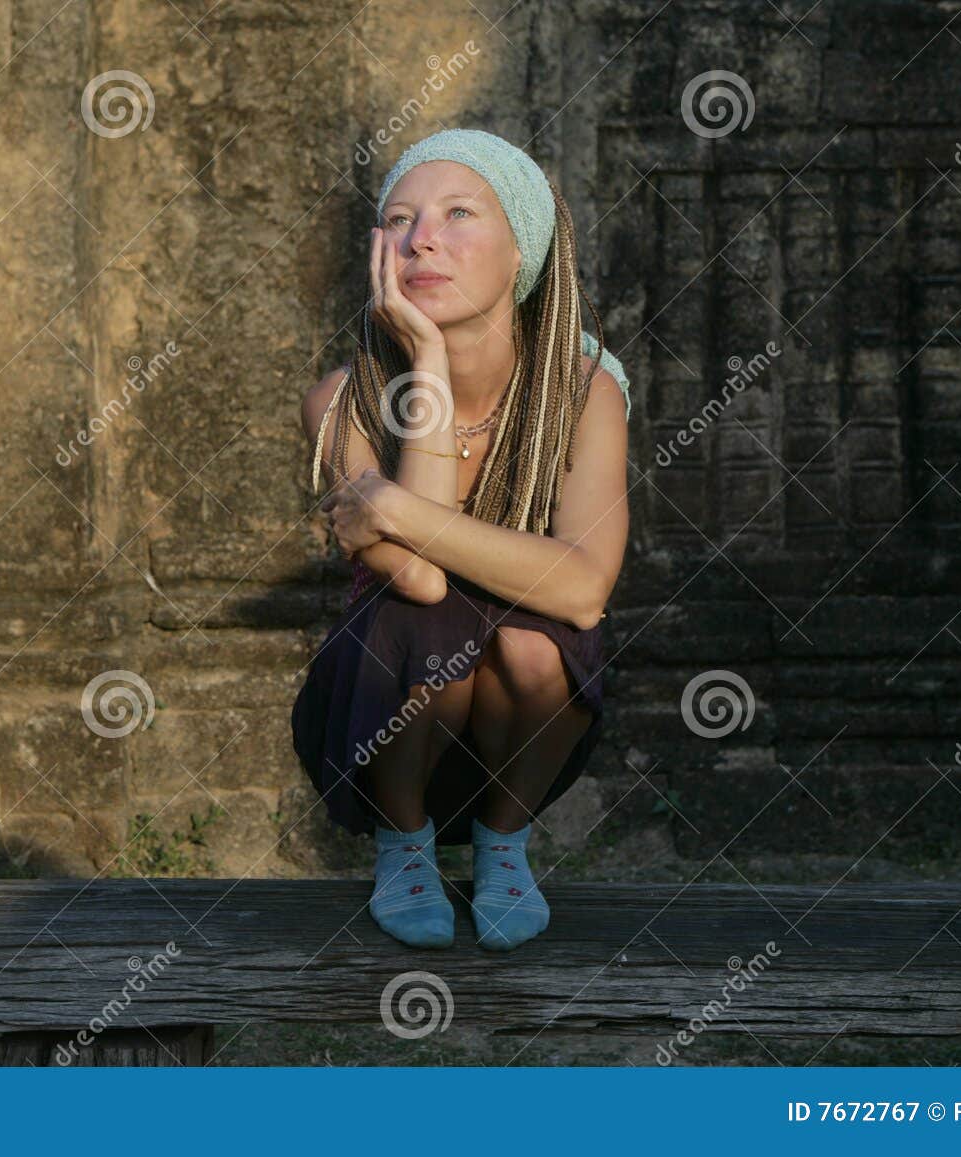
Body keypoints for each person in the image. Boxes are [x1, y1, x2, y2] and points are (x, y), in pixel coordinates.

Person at [290, 128, 631, 951]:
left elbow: (585, 587)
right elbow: (416, 580)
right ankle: (403, 844)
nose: (422, 238)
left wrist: (393, 506)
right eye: (399, 219)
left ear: (523, 255)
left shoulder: (586, 390)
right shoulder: (343, 399)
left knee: (542, 642)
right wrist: (429, 361)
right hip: (380, 714)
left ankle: (503, 842)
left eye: (457, 213)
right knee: (430, 616)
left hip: (523, 732)